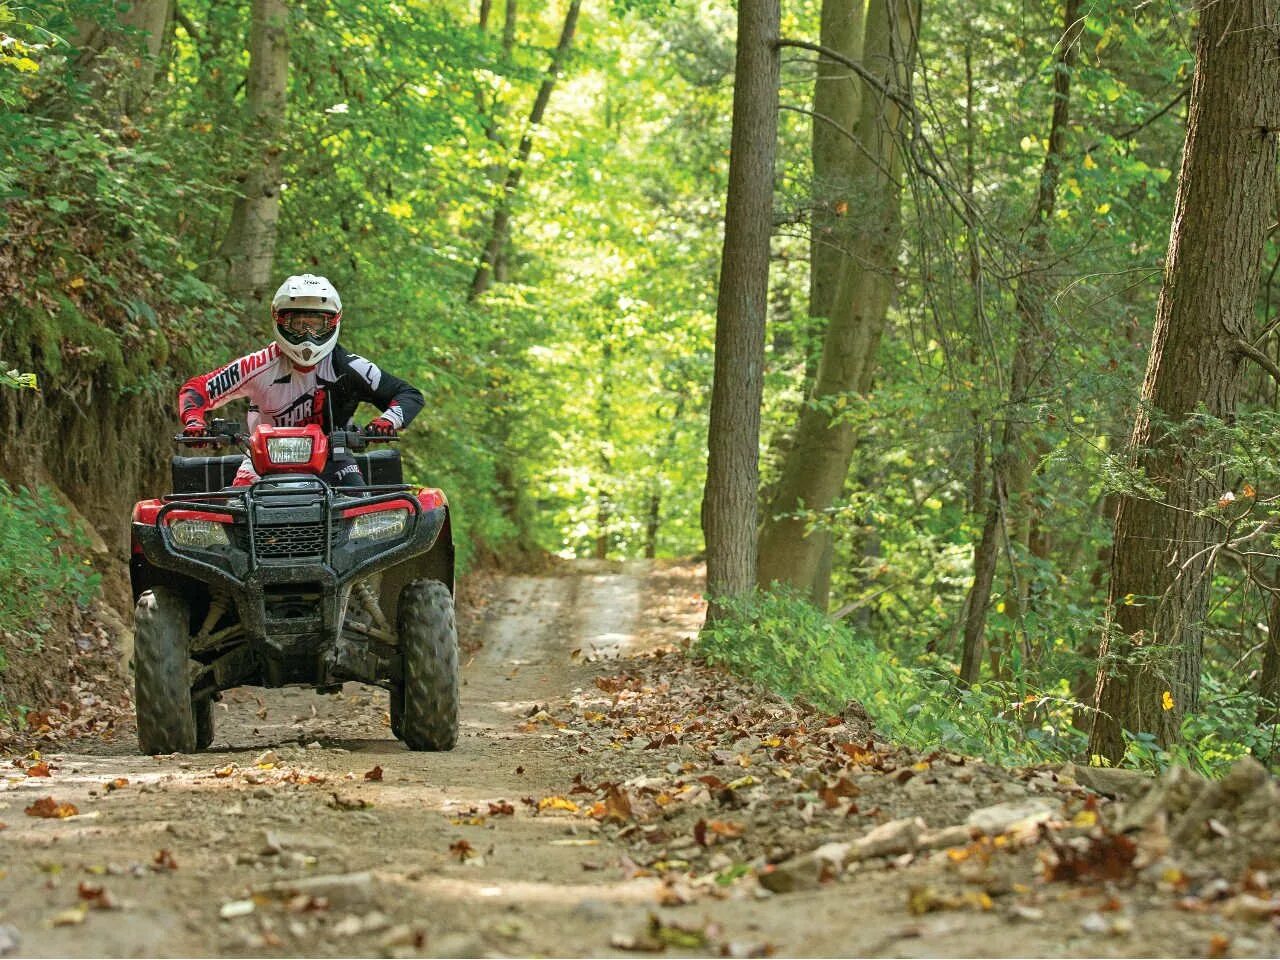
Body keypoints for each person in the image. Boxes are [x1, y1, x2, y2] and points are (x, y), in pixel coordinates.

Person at [177, 273, 424, 487]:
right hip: (260, 462)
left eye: (317, 324)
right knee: (234, 506)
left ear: (334, 321)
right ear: (279, 319)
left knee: (363, 509)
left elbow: (408, 394)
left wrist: (387, 420)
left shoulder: (351, 367)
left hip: (334, 460)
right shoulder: (257, 365)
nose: (308, 334)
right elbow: (198, 388)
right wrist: (194, 421)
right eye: (298, 324)